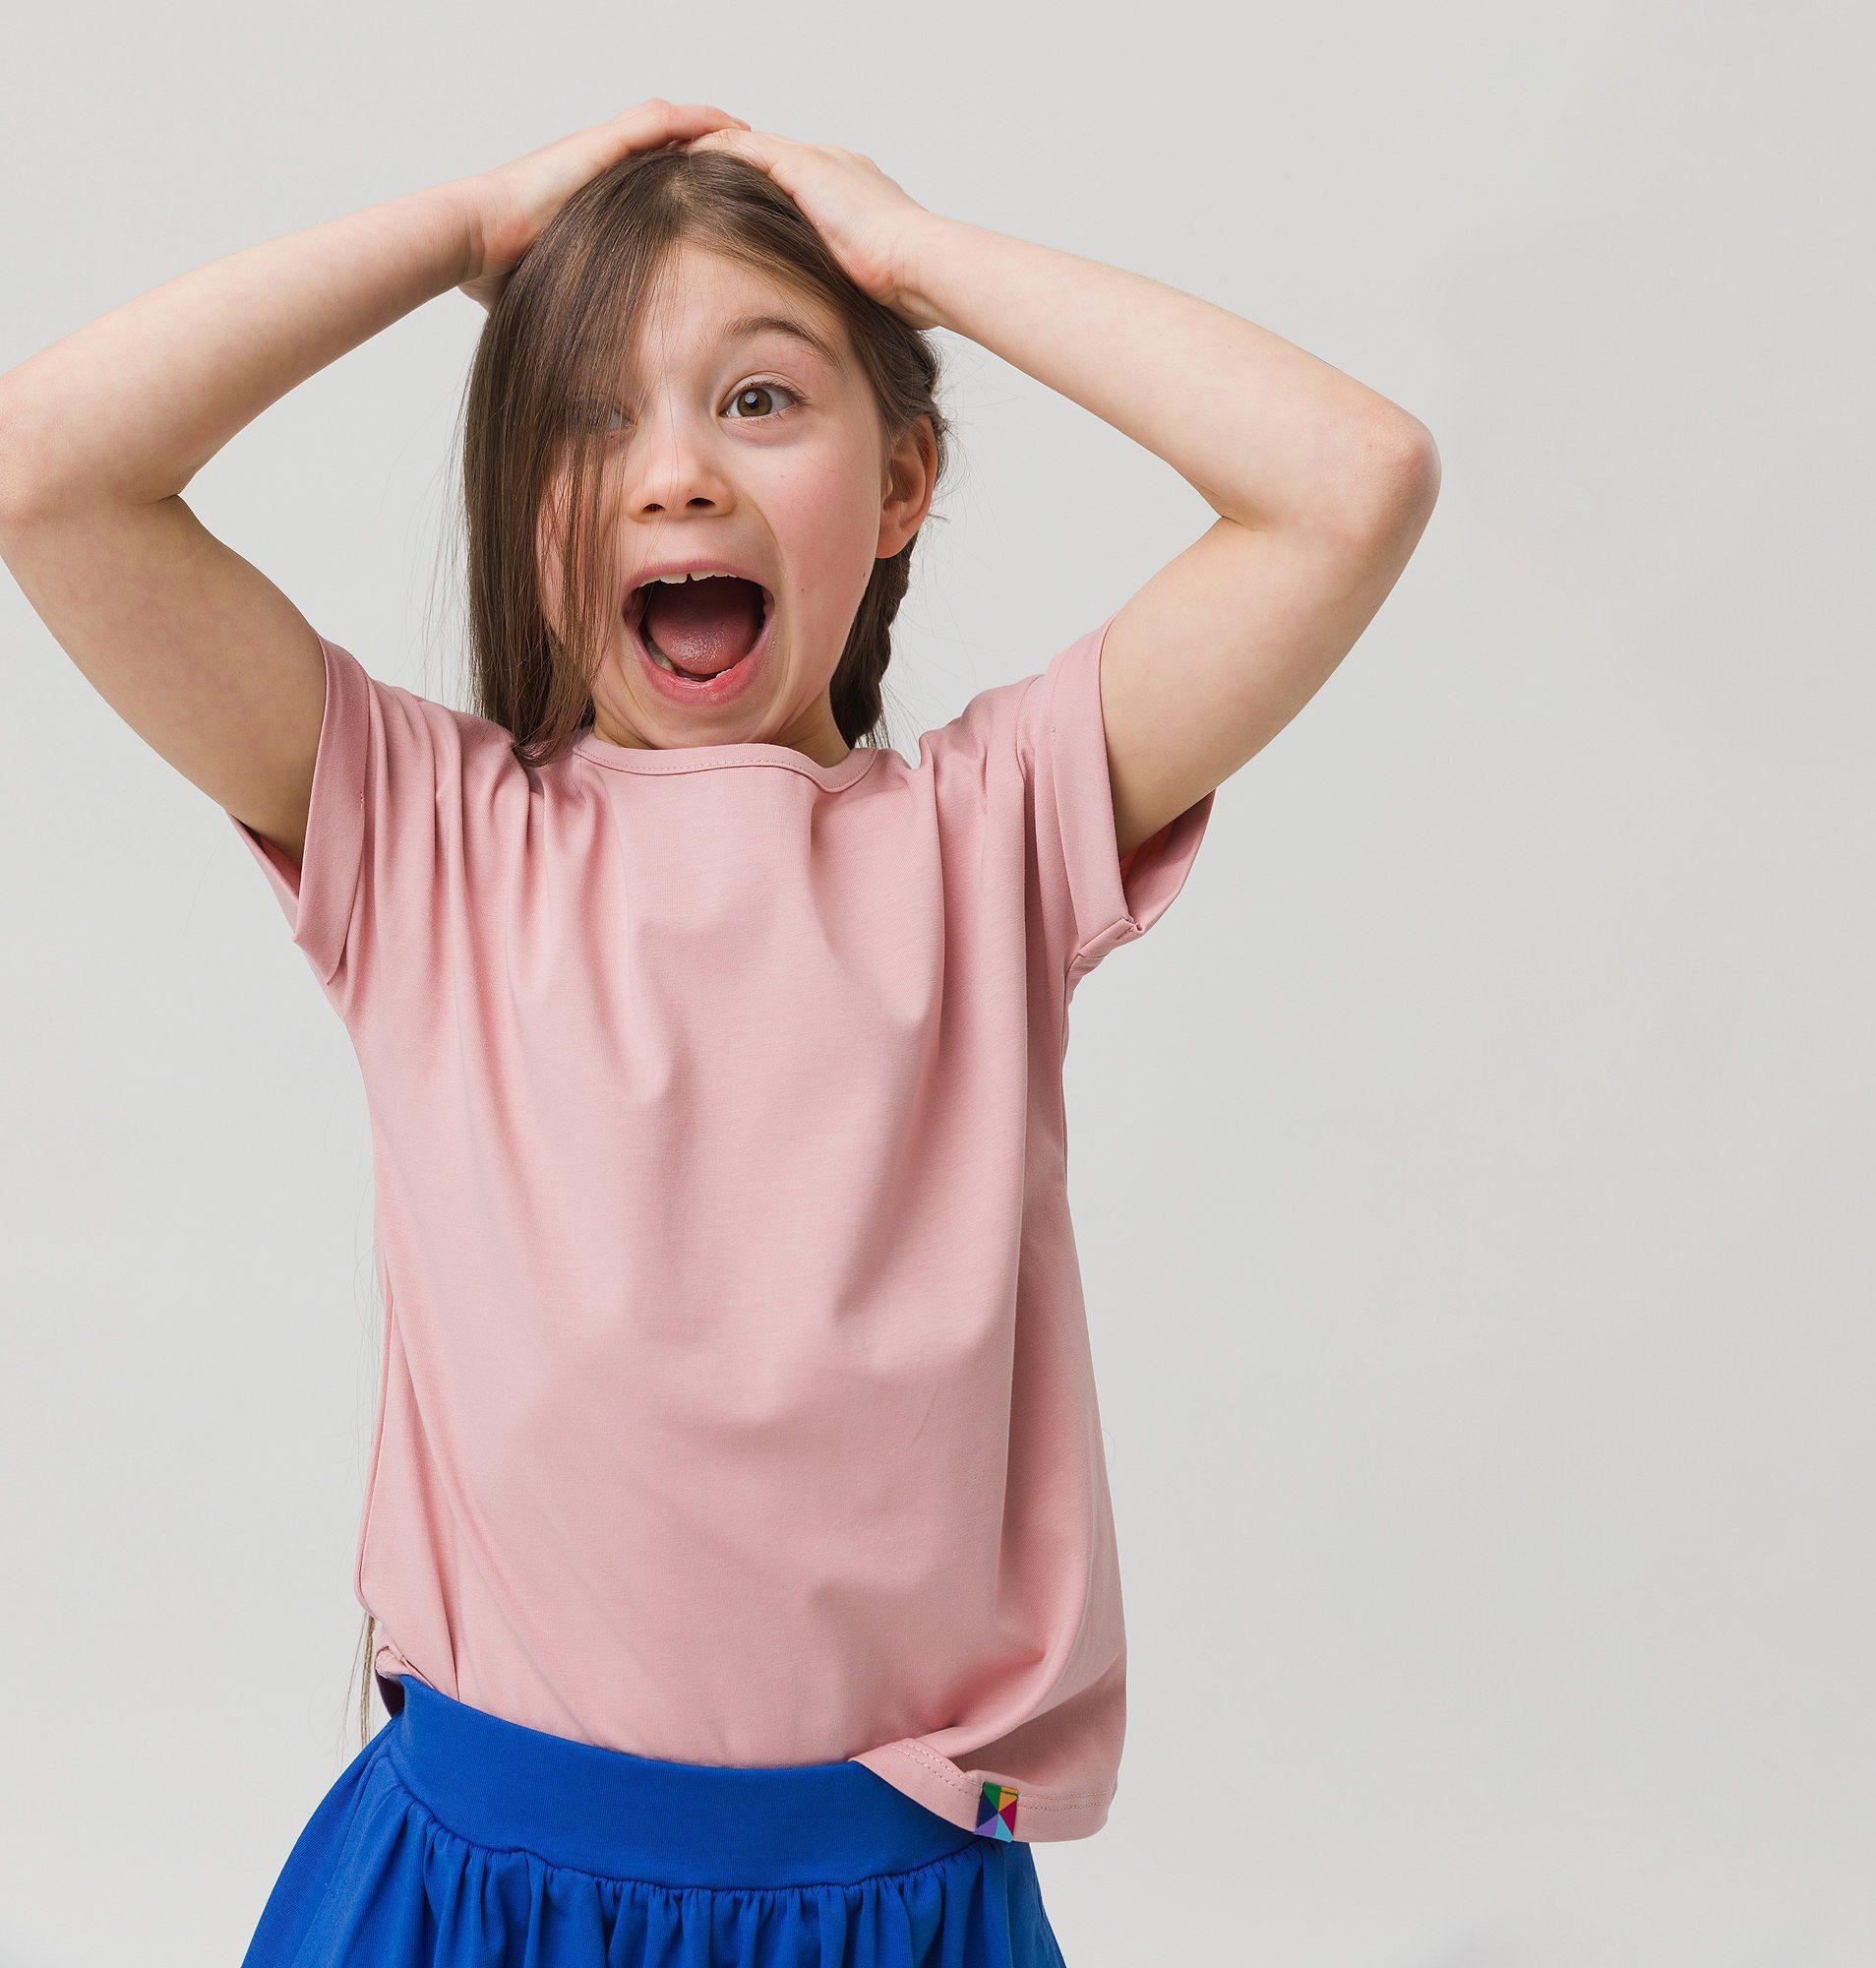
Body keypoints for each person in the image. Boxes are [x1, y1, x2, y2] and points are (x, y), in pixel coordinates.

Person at [0, 97, 1438, 1967]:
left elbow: (1356, 478)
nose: (675, 472)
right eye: (592, 418)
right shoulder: (432, 841)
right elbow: (46, 471)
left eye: (758, 399)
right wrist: (457, 228)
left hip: (885, 1897)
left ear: (906, 483)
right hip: (470, 1888)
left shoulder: (987, 836)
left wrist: (915, 258)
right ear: (529, 518)